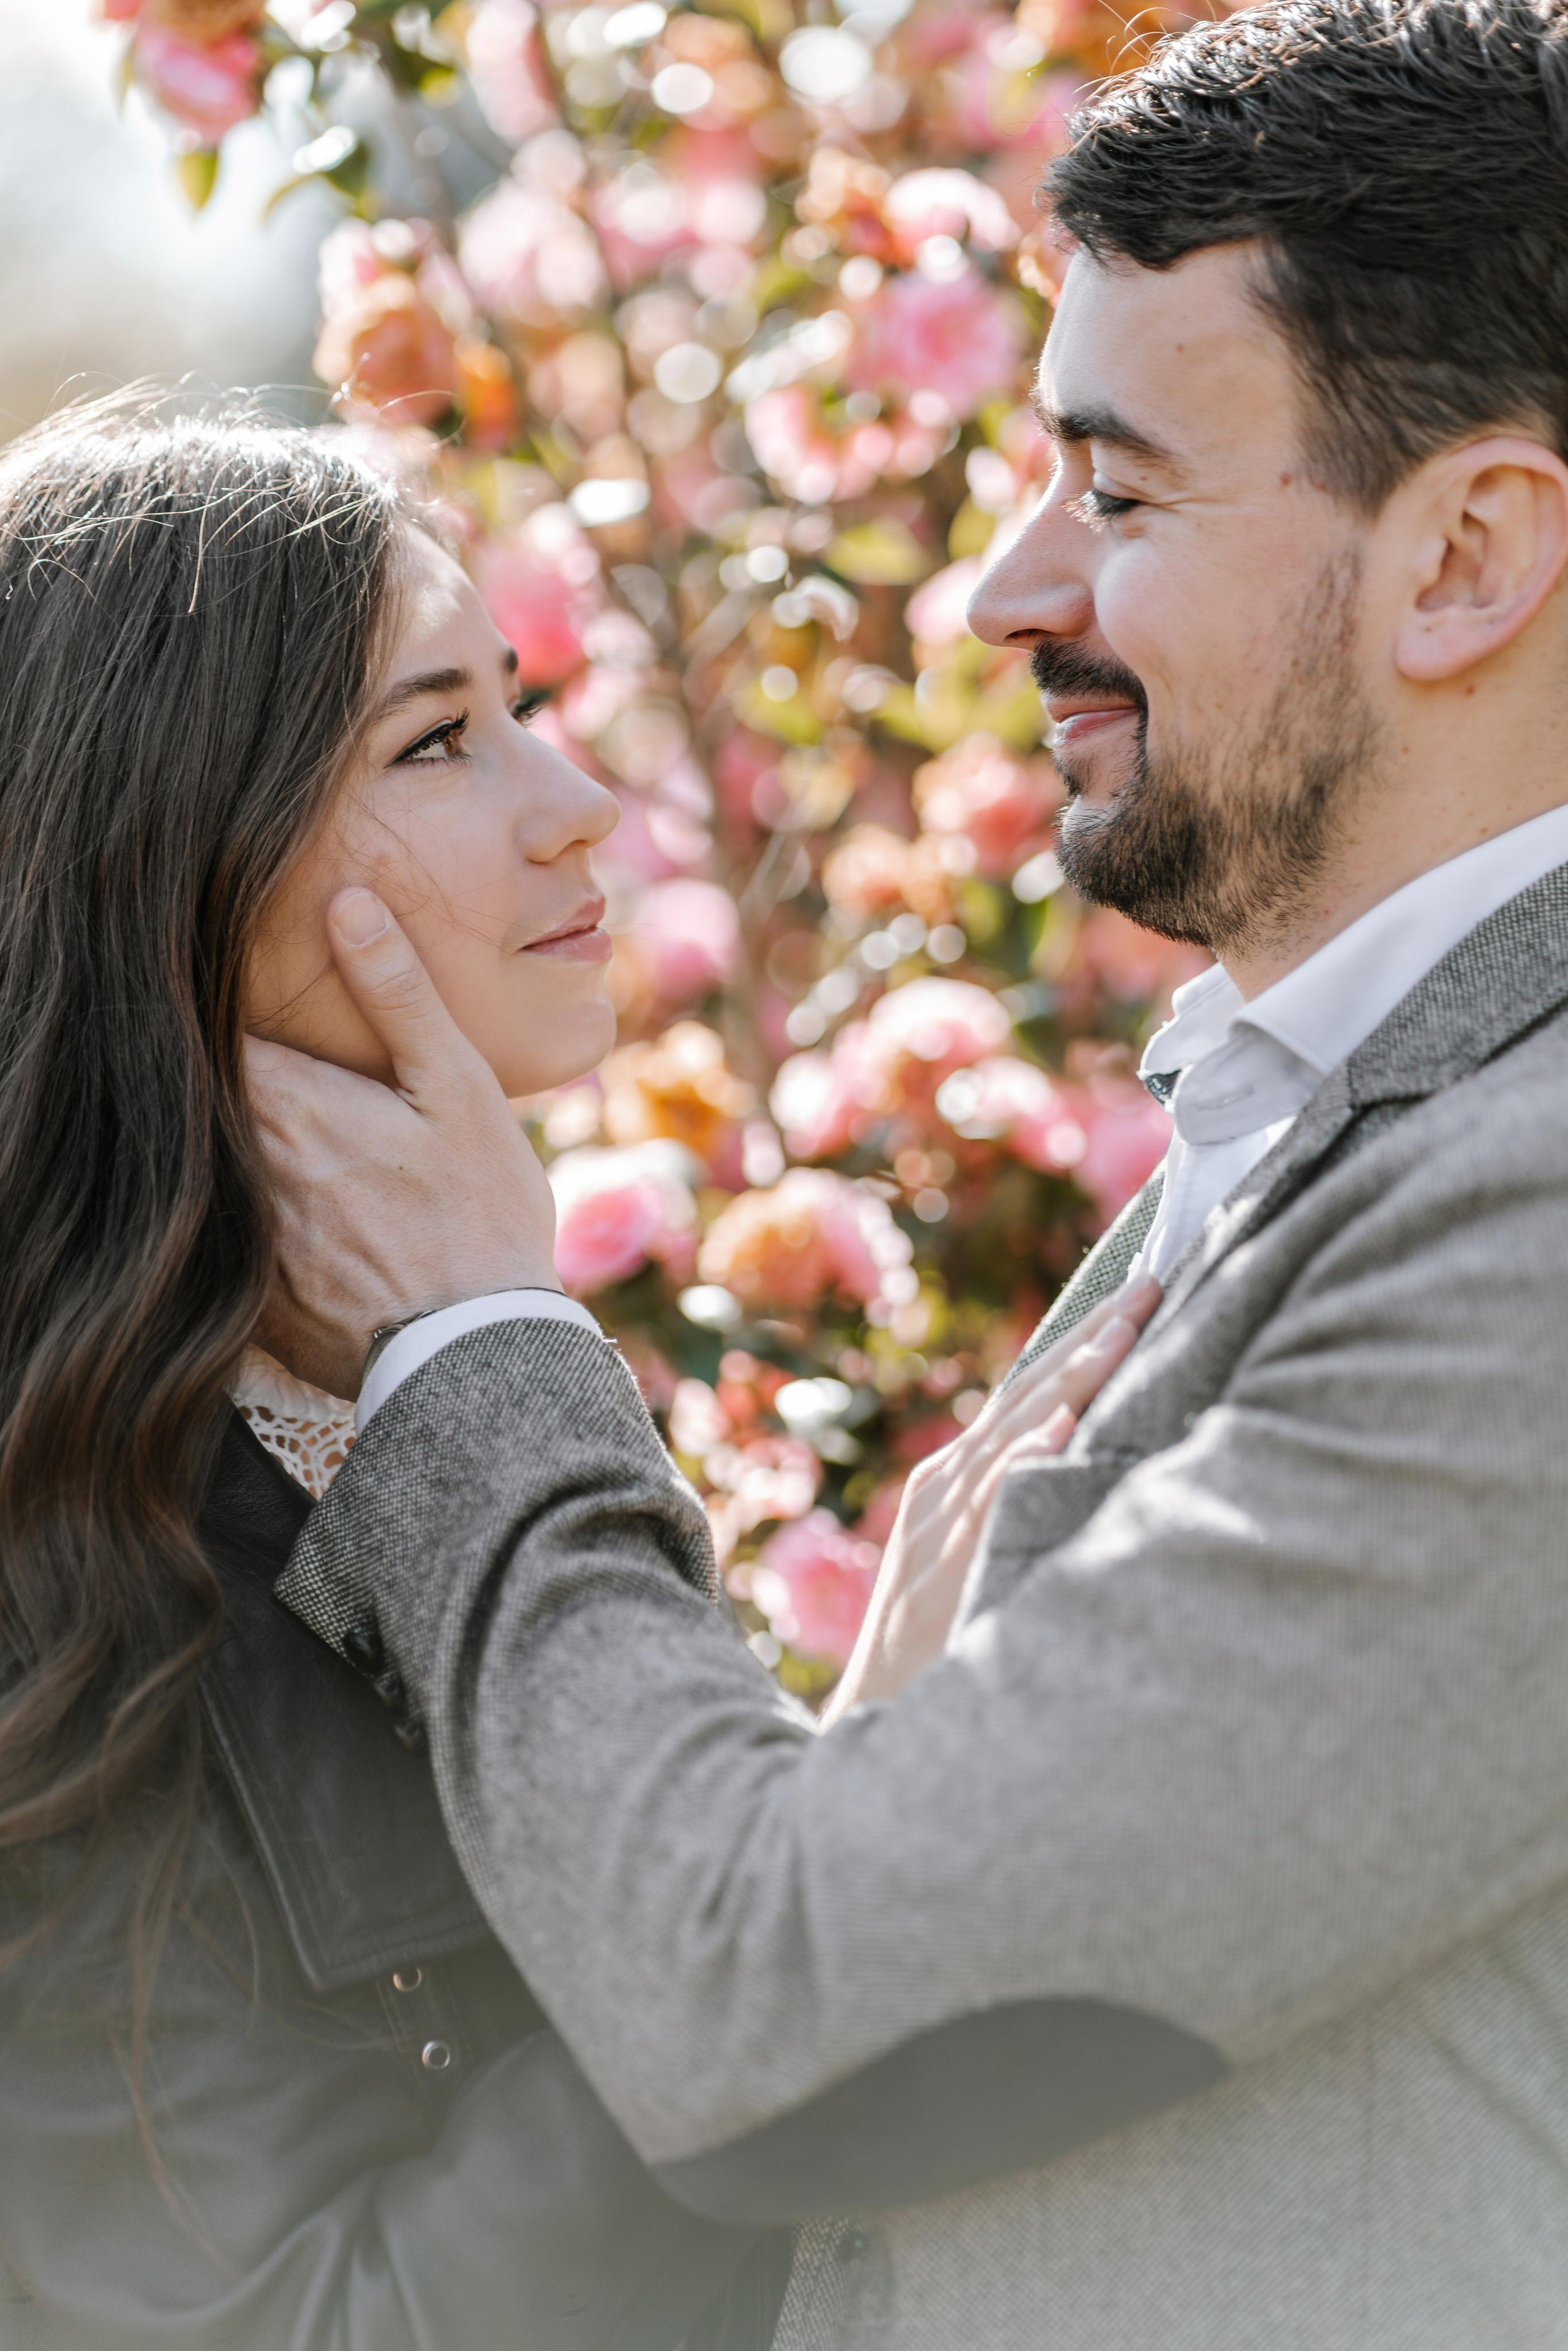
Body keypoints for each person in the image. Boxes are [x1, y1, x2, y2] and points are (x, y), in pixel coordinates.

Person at [249, 0, 1568, 2343]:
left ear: (1464, 555)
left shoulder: (1532, 1224)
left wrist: (475, 1346)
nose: (1004, 595)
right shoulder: (1309, 1110)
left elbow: (792, 2022)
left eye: (1125, 494)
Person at [0, 399, 818, 2348]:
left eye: (519, 706)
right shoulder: (61, 1578)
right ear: (172, 862)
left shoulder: (412, 1389)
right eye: (441, 740)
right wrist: (803, 1935)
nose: (579, 807)